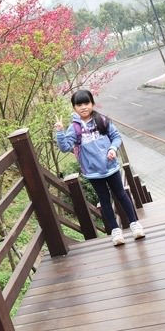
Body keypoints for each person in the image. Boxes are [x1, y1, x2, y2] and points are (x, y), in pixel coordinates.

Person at [54, 89, 145, 246]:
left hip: (111, 167)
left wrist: (112, 149)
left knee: (121, 195)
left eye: (86, 103)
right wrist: (60, 132)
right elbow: (65, 147)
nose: (83, 107)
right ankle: (116, 232)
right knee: (104, 200)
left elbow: (116, 137)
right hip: (93, 172)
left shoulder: (101, 120)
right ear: (74, 107)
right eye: (79, 104)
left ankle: (135, 224)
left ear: (92, 104)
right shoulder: (74, 128)